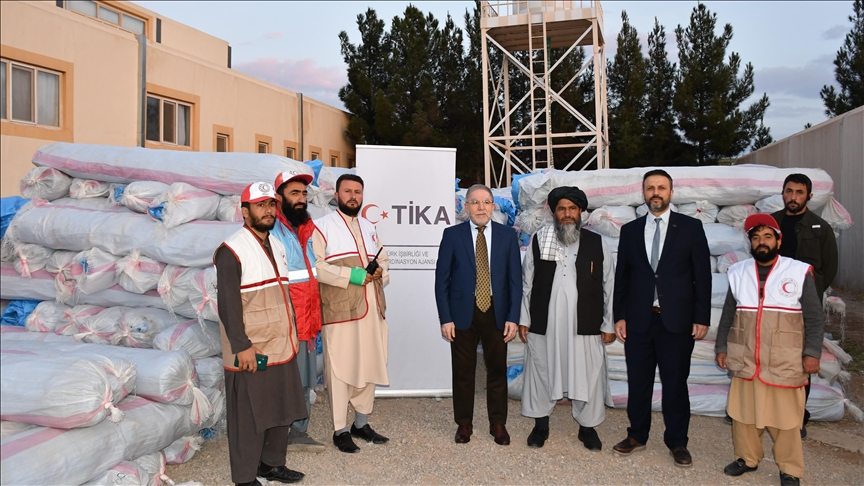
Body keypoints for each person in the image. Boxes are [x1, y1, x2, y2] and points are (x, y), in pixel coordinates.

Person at [611, 169, 712, 467]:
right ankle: (636, 435)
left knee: (675, 383)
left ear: (671, 192)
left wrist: (701, 317)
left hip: (676, 322)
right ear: (643, 193)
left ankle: (678, 442)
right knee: (638, 382)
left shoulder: (691, 227)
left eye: (661, 188)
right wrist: (620, 315)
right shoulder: (630, 231)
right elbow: (622, 276)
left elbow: (702, 276)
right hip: (639, 321)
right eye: (650, 188)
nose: (656, 192)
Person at [715, 214, 823, 486]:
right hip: (746, 356)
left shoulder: (798, 271)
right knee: (743, 414)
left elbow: (814, 317)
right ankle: (747, 458)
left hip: (784, 360)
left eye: (767, 236)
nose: (761, 242)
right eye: (755, 237)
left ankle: (790, 469)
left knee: (786, 419)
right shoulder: (738, 272)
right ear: (750, 242)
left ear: (778, 240)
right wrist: (721, 346)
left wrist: (812, 352)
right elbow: (728, 314)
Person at [214, 182, 306, 486]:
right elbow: (228, 305)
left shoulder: (277, 245)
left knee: (280, 409)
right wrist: (242, 346)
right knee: (248, 417)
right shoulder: (231, 250)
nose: (268, 210)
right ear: (244, 211)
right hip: (251, 349)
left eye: (270, 204)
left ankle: (271, 465)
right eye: (260, 205)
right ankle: (244, 478)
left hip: (281, 343)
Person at [518, 186, 615, 451]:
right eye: (561, 209)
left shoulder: (597, 243)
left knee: (587, 372)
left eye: (572, 208)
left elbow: (609, 285)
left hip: (585, 321)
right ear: (554, 212)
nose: (567, 213)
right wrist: (524, 319)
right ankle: (540, 425)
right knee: (541, 369)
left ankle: (588, 427)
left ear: (581, 211)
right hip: (545, 320)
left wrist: (608, 323)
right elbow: (527, 282)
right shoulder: (539, 239)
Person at [434, 184, 522, 446]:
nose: (480, 207)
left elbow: (515, 281)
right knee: (463, 372)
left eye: (485, 202)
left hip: (497, 312)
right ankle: (464, 424)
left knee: (497, 370)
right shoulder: (452, 235)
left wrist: (513, 317)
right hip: (462, 313)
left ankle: (498, 423)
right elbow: (442, 281)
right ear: (466, 207)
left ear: (493, 206)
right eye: (474, 202)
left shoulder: (508, 236)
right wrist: (445, 318)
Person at [311, 174, 390, 453]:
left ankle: (361, 423)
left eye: (358, 192)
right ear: (337, 194)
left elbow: (383, 259)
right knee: (340, 368)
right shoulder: (322, 227)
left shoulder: (370, 227)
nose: (353, 196)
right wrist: (352, 275)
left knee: (369, 364)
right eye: (347, 191)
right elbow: (317, 267)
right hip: (341, 311)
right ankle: (340, 430)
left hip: (372, 309)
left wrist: (380, 272)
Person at [772, 173, 838, 438]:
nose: (793, 197)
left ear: (809, 196)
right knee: (768, 356)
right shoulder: (772, 223)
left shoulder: (820, 228)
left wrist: (811, 294)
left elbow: (829, 269)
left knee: (800, 361)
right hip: (772, 303)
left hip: (801, 306)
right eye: (789, 191)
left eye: (799, 192)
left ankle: (797, 417)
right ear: (783, 193)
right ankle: (767, 413)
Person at [271, 170, 325, 453]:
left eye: (304, 193)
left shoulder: (306, 228)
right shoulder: (271, 230)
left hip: (308, 318)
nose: (301, 199)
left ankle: (299, 432)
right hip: (285, 320)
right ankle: (278, 435)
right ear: (279, 197)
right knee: (284, 380)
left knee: (304, 379)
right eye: (294, 193)